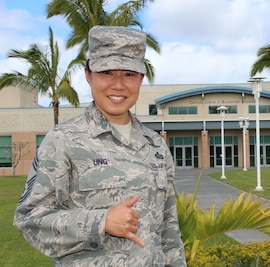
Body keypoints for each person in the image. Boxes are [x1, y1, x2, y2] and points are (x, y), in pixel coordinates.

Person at [14, 25, 187, 267]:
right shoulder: (63, 141)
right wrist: (101, 221)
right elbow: (29, 220)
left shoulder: (155, 145)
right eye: (106, 72)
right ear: (88, 74)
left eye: (128, 74)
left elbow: (169, 231)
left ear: (141, 79)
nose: (118, 85)